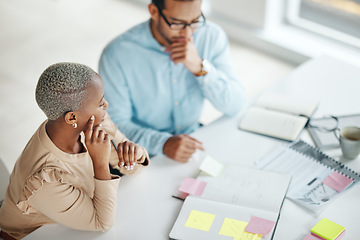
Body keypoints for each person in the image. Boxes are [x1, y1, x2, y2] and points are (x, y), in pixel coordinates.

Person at [0, 63, 149, 239]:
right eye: (100, 103)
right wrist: (100, 163)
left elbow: (135, 168)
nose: (106, 105)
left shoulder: (90, 123)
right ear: (72, 117)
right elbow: (103, 223)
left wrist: (136, 153)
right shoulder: (44, 180)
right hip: (34, 235)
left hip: (69, 218)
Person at [99, 0, 246, 162]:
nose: (188, 34)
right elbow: (114, 125)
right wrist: (163, 143)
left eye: (195, 21)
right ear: (154, 11)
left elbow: (236, 105)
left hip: (194, 140)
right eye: (177, 23)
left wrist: (200, 67)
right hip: (141, 153)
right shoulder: (116, 54)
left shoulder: (211, 35)